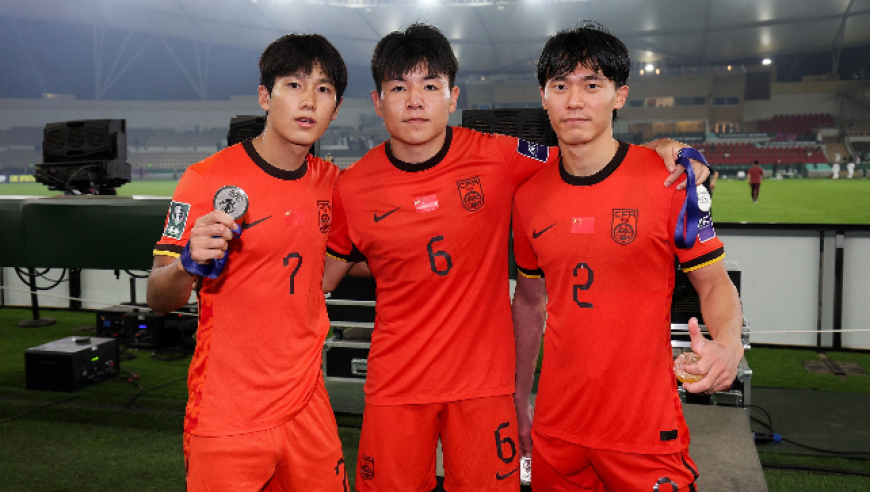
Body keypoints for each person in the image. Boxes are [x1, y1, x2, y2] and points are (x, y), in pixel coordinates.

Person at [321, 23, 707, 492]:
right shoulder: (352, 187)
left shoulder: (499, 156)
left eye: (430, 86)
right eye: (398, 88)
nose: (415, 101)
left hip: (485, 386)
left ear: (452, 97)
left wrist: (663, 151)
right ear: (378, 102)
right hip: (396, 383)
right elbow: (327, 275)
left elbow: (587, 157)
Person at [512, 23, 744, 491]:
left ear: (620, 95)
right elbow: (530, 301)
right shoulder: (528, 197)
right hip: (558, 430)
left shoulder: (668, 180)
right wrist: (518, 396)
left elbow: (715, 283)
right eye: (560, 86)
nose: (574, 101)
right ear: (544, 97)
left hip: (643, 429)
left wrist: (729, 345)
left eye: (591, 85)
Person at [146, 34, 349, 492]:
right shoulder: (204, 179)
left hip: (307, 405)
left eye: (323, 89)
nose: (309, 101)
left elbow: (352, 259)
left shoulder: (334, 185)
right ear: (264, 96)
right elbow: (158, 296)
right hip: (228, 411)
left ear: (335, 109)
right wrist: (186, 264)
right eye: (294, 85)